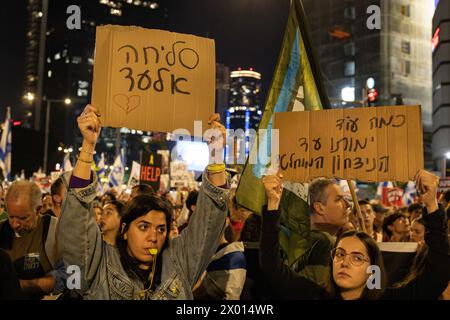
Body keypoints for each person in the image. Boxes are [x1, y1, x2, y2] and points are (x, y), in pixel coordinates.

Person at [57, 106, 229, 299]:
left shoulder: (179, 261)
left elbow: (209, 222)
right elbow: (75, 220)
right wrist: (88, 145)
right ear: (124, 230)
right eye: (143, 227)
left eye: (161, 229)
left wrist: (216, 153)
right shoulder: (97, 266)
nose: (153, 237)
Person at [260, 170, 449, 300]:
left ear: (372, 269)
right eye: (340, 254)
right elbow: (271, 267)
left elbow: (438, 274)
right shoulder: (314, 295)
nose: (344, 262)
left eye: (357, 258)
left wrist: (431, 204)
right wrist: (273, 203)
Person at [0, 181, 61, 299]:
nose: (15, 224)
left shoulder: (55, 230)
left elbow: (74, 278)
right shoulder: (1, 230)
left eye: (22, 218)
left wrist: (21, 284)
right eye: (11, 216)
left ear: (38, 210)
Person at [291, 177, 351, 285]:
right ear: (319, 208)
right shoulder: (323, 242)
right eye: (338, 199)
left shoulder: (301, 237)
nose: (347, 204)